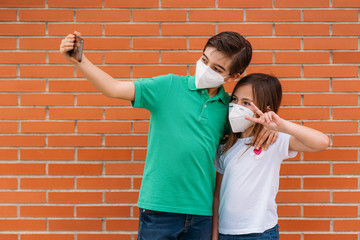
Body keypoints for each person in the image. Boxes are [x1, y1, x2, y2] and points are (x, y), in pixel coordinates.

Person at [60, 31, 276, 239]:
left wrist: (269, 128)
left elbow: (249, 132)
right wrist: (81, 61)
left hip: (202, 211)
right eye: (204, 59)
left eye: (217, 68)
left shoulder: (228, 109)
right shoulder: (168, 86)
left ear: (234, 76)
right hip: (159, 208)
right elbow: (113, 88)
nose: (206, 68)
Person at [212, 73, 330, 240]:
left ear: (266, 109)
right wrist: (215, 235)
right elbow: (217, 195)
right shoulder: (225, 146)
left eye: (246, 103)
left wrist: (281, 126)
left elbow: (322, 142)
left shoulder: (273, 141)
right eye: (234, 99)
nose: (236, 106)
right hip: (225, 232)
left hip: (261, 233)